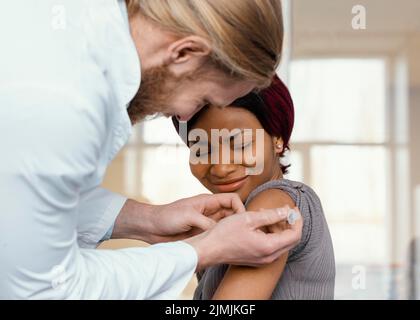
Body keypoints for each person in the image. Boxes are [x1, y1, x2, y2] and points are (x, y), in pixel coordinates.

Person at [0, 0, 302, 299]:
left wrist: (146, 220)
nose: (184, 118)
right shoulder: (65, 102)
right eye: (201, 99)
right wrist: (202, 250)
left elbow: (23, 200)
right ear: (184, 52)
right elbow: (44, 288)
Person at [173, 75, 335, 299]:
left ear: (277, 138)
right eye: (202, 149)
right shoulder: (227, 221)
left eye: (240, 144)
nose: (220, 168)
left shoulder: (272, 203)